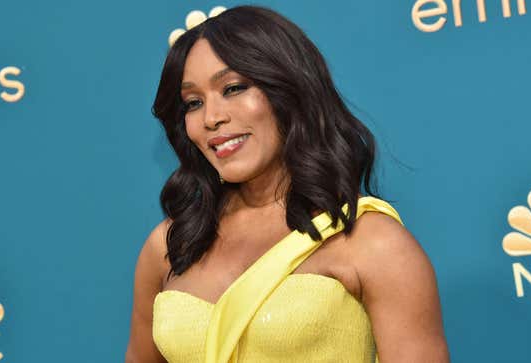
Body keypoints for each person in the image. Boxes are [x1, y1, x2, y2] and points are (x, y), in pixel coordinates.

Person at [126, 5, 449, 363]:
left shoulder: (372, 242)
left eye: (233, 88)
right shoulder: (170, 245)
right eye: (193, 103)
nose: (212, 118)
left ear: (291, 90)